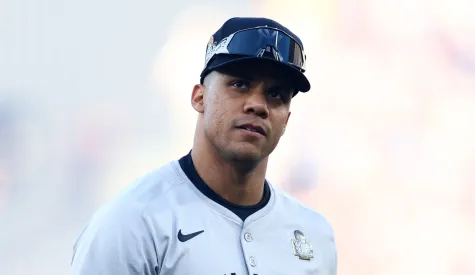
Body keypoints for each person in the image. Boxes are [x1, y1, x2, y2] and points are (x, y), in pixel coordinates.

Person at [70, 17, 337, 275]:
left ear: (286, 119)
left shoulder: (314, 235)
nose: (257, 104)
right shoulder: (131, 223)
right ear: (199, 97)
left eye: (276, 94)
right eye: (240, 84)